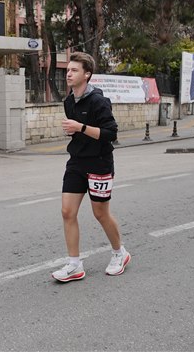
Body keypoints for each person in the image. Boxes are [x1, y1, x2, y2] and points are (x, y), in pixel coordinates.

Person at [52, 52, 130, 282]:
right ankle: (74, 264)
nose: (68, 74)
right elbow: (78, 131)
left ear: (87, 74)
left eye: (74, 70)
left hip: (99, 162)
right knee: (67, 212)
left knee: (100, 213)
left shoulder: (98, 101)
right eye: (68, 70)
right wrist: (74, 130)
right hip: (76, 161)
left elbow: (111, 133)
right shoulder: (68, 102)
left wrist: (80, 127)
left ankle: (120, 253)